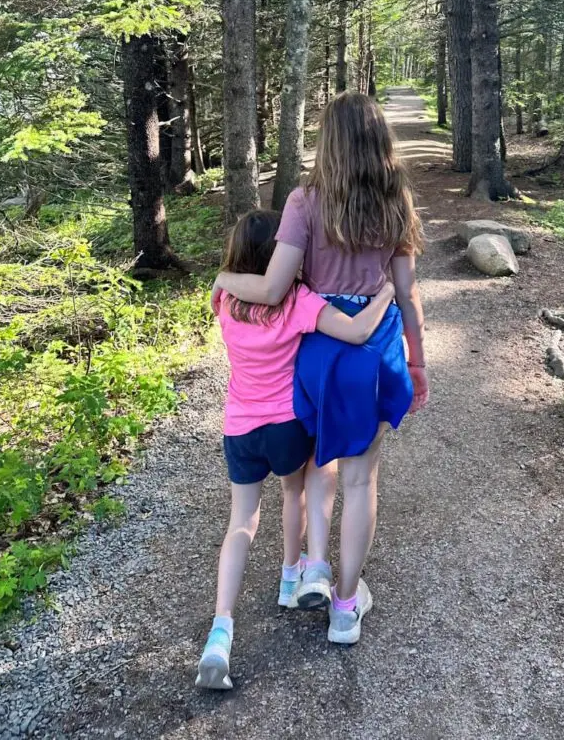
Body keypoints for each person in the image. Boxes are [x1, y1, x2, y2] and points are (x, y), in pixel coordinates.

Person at [210, 91, 428, 646]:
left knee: (314, 465)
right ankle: (345, 608)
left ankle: (312, 565)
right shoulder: (395, 201)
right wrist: (417, 361)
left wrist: (224, 280)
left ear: (328, 141)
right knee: (360, 478)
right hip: (372, 352)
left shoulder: (305, 203)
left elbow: (276, 287)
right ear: (380, 141)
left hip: (316, 350)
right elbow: (405, 292)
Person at [197, 209, 397, 690]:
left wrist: (224, 277)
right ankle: (294, 577)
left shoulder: (224, 299)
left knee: (241, 522)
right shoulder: (298, 300)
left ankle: (220, 630)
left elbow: (220, 295)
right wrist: (387, 292)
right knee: (299, 490)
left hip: (239, 427)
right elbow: (355, 332)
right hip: (285, 426)